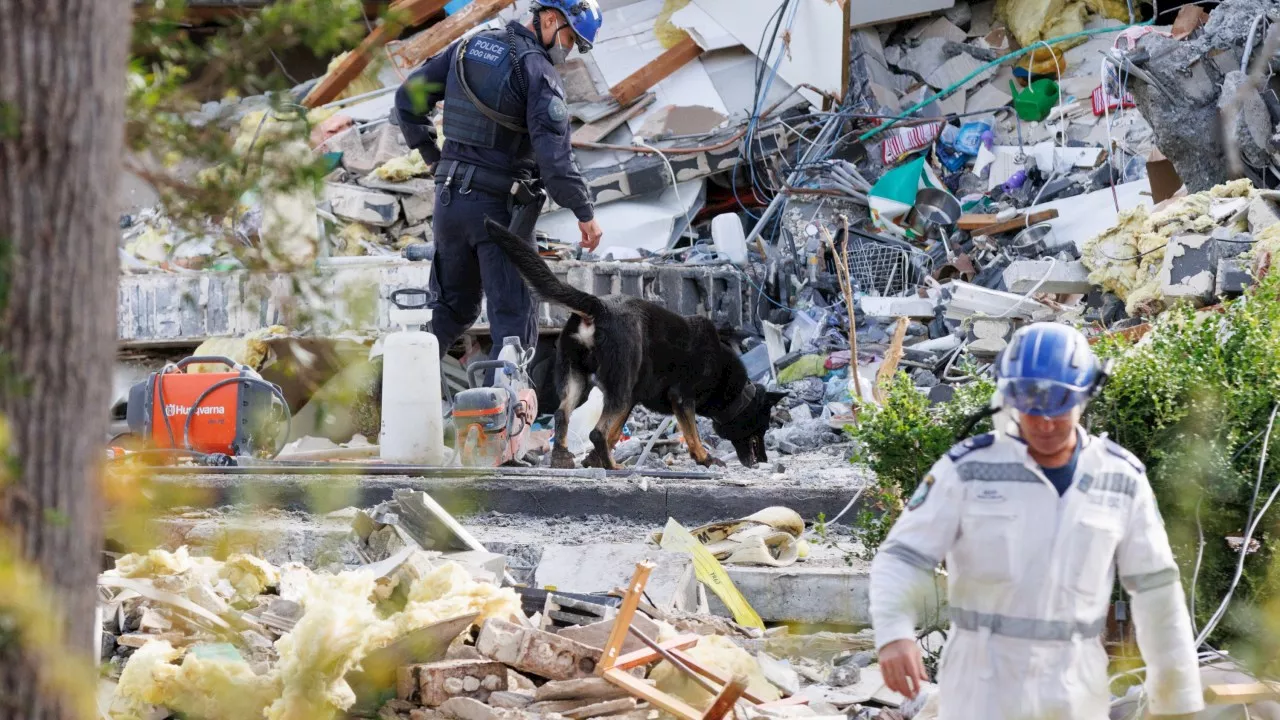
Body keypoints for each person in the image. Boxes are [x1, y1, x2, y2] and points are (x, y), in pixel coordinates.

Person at [869, 323, 1203, 719]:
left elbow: (1156, 589)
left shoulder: (1120, 478)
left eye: (1059, 404)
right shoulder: (968, 470)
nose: (1044, 422)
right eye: (1029, 405)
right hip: (981, 690)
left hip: (1074, 691)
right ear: (1008, 398)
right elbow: (902, 558)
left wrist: (1177, 698)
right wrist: (893, 634)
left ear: (1086, 395)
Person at [392, 0, 604, 360]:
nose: (568, 51)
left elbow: (406, 98)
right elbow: (554, 161)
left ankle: (384, 392)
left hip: (448, 204)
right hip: (500, 213)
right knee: (514, 330)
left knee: (451, 311)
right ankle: (501, 416)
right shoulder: (537, 71)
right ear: (550, 19)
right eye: (570, 39)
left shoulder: (469, 45)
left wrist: (434, 160)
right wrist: (585, 213)